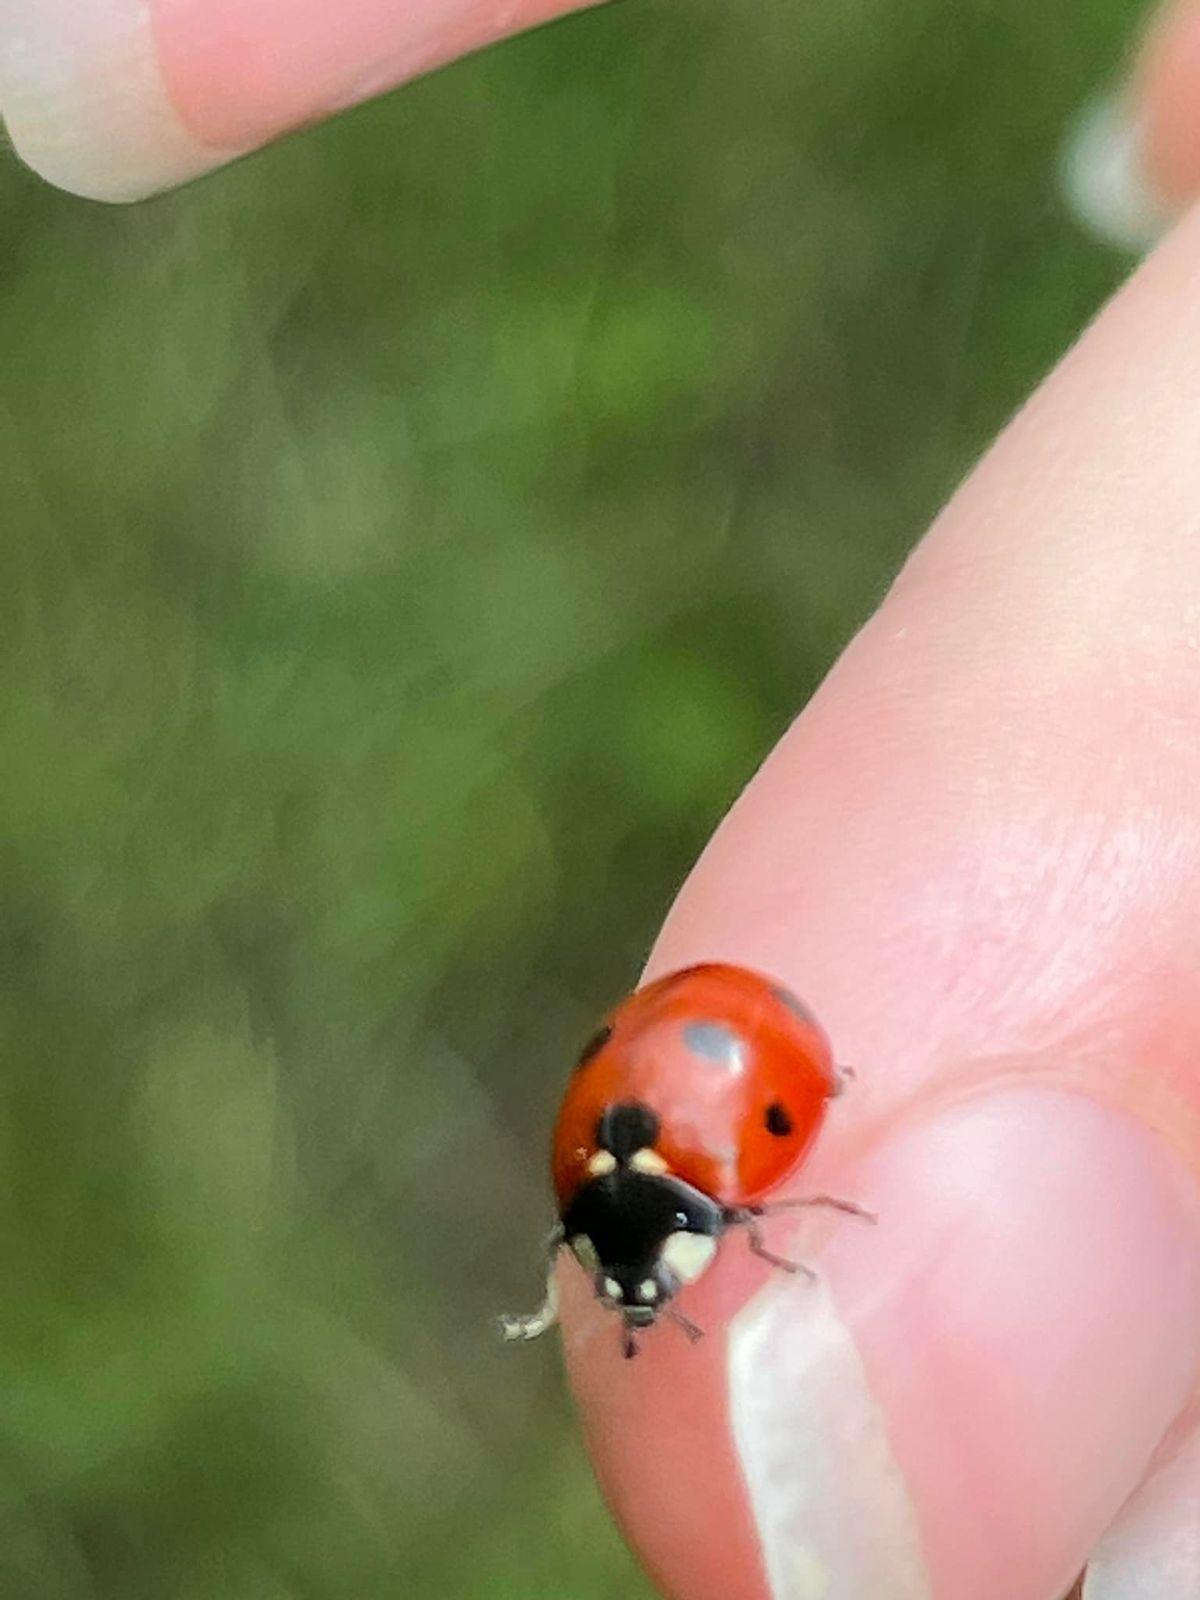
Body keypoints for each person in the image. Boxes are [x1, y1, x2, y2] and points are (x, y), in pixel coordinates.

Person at [4, 3, 1200, 1594]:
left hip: (747, 1041)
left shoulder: (671, 1182)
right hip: (739, 1045)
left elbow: (742, 1157)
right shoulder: (650, 1180)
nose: (659, 1290)